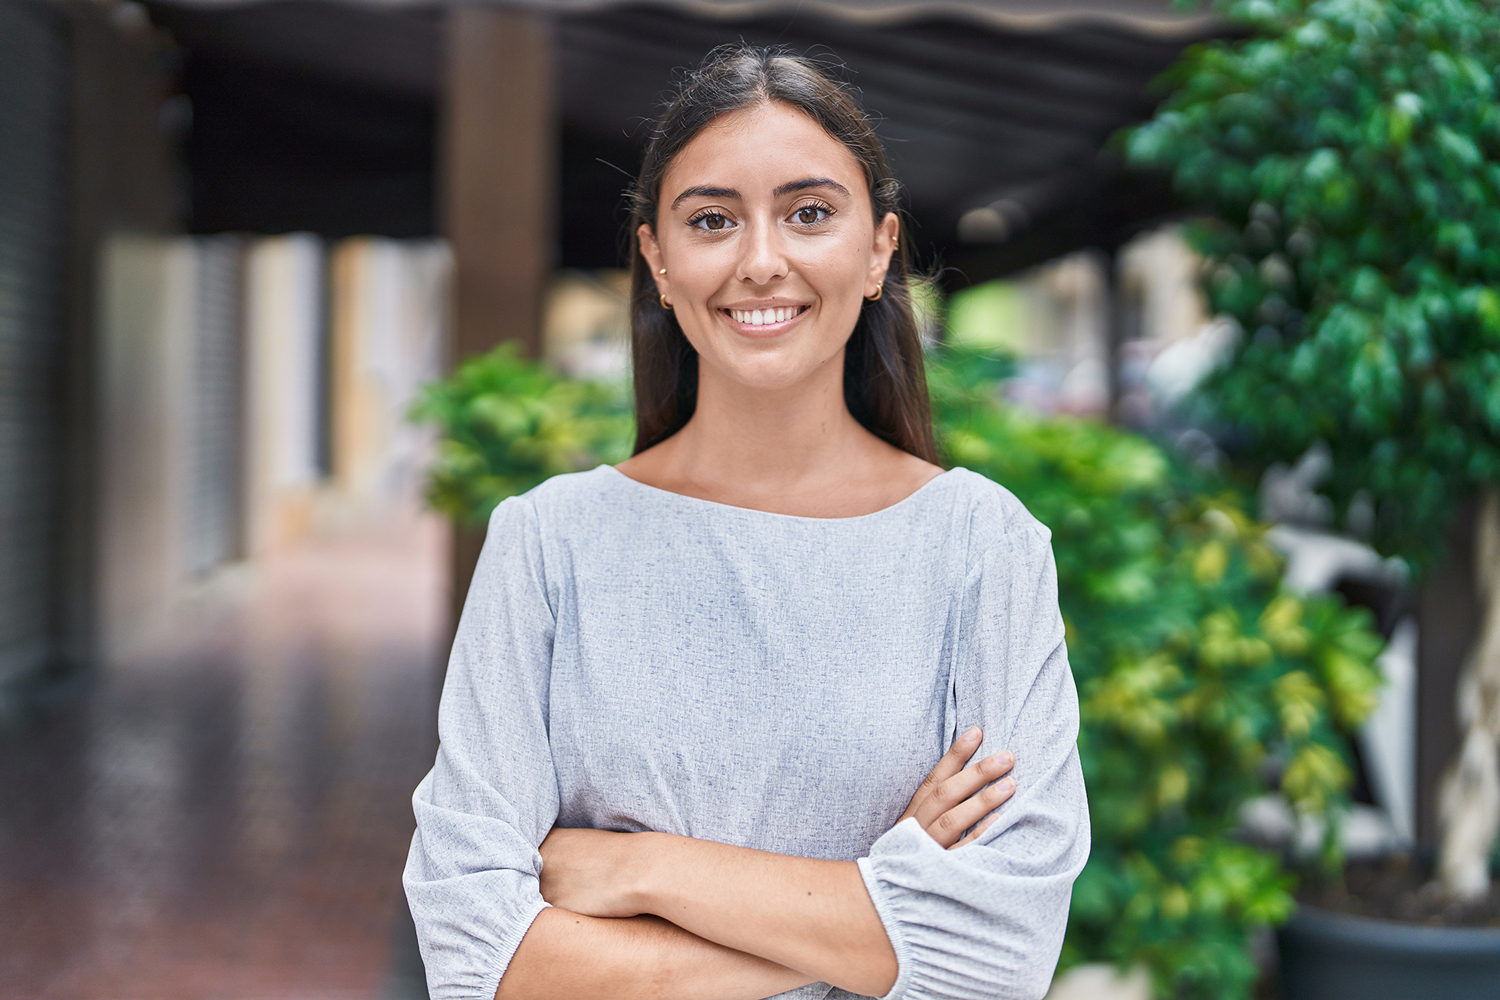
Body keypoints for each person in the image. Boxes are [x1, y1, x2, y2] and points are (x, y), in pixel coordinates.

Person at [404, 45, 1089, 1000]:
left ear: (881, 246)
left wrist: (643, 870)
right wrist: (877, 903)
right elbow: (478, 955)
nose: (761, 262)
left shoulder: (982, 548)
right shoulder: (548, 544)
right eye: (713, 220)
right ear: (658, 258)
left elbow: (1000, 956)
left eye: (810, 213)